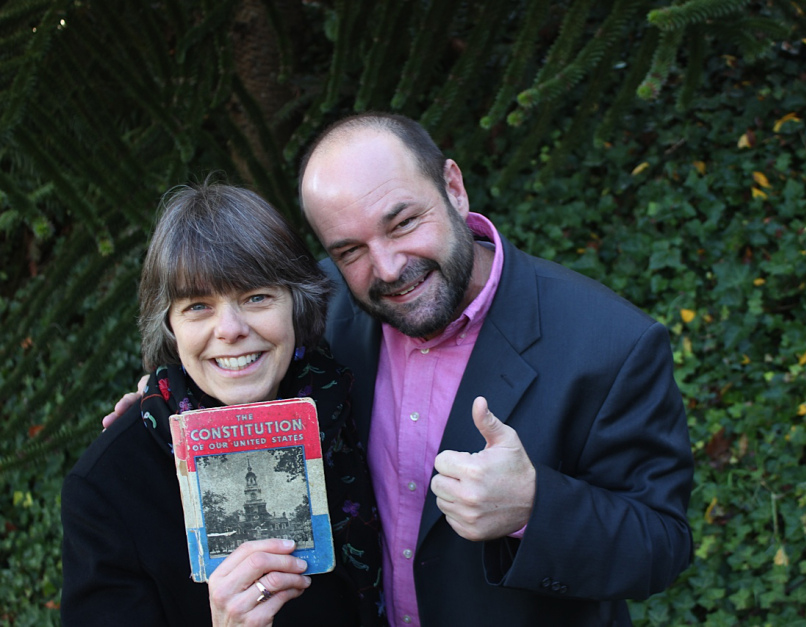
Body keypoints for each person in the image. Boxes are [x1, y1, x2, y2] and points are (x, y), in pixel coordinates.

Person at [108, 113, 694, 626]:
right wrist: (166, 403)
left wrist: (536, 509)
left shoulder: (612, 344)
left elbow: (661, 544)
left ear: (454, 189)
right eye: (349, 250)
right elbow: (243, 360)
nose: (387, 268)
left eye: (403, 222)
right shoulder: (325, 306)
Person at [62, 183, 384, 626]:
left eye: (256, 297)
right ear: (170, 327)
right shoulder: (109, 484)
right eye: (198, 306)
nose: (230, 329)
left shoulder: (360, 405)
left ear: (297, 303)